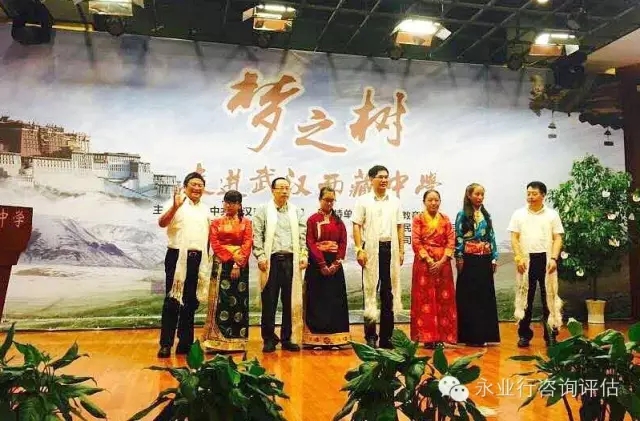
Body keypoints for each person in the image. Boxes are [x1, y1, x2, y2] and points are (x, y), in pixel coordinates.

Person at [157, 172, 211, 358]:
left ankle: (185, 343)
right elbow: (162, 223)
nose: (197, 188)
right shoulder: (176, 203)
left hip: (197, 258)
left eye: (200, 185)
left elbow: (208, 237)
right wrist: (174, 207)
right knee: (172, 299)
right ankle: (166, 344)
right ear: (185, 187)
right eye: (193, 184)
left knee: (190, 301)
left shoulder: (205, 210)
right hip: (177, 257)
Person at [351, 165, 404, 349]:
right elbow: (356, 225)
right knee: (370, 291)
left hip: (390, 250)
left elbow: (400, 226)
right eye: (380, 177)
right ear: (371, 179)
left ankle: (387, 338)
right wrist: (359, 249)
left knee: (388, 294)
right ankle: (371, 336)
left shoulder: (395, 201)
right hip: (371, 251)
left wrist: (401, 251)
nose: (384, 180)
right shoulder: (363, 201)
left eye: (386, 177)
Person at [253, 177, 308, 353]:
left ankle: (287, 338)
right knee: (269, 302)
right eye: (281, 188)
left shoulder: (296, 211)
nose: (284, 191)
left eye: (287, 188)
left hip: (291, 261)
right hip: (271, 261)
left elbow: (302, 236)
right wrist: (260, 256)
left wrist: (303, 255)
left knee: (289, 302)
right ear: (273, 190)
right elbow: (257, 235)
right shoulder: (263, 210)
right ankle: (269, 339)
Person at [508, 181, 564, 348]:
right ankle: (524, 335)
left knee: (550, 298)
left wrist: (554, 258)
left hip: (546, 261)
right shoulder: (518, 214)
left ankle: (551, 335)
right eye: (528, 194)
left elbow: (558, 238)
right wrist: (519, 258)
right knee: (525, 298)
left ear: (543, 195)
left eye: (534, 194)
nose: (530, 197)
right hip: (526, 261)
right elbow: (514, 238)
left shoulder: (552, 215)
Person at [201, 190, 253, 353]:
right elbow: (215, 244)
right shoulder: (216, 222)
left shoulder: (246, 223)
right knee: (220, 301)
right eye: (227, 202)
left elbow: (247, 243)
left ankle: (237, 341)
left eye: (233, 203)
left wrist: (237, 264)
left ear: (239, 205)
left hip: (240, 266)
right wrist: (231, 257)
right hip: (221, 265)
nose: (229, 206)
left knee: (239, 301)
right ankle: (216, 340)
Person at [303, 186, 350, 348]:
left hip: (335, 264)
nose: (329, 203)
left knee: (334, 300)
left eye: (332, 200)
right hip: (317, 265)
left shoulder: (338, 221)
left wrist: (336, 263)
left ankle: (336, 338)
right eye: (326, 200)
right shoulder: (312, 220)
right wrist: (322, 263)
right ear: (320, 200)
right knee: (317, 300)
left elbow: (343, 242)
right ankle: (316, 337)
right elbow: (310, 242)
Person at [454, 183, 500, 347]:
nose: (480, 197)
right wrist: (459, 257)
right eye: (477, 194)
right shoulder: (462, 215)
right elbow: (458, 237)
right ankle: (470, 336)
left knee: (484, 296)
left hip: (485, 259)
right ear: (469, 195)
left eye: (482, 195)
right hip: (469, 259)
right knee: (469, 297)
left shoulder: (486, 215)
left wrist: (494, 257)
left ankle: (485, 334)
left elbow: (491, 236)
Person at [410, 190, 457, 349]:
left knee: (443, 300)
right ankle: (427, 337)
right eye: (430, 200)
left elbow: (451, 241)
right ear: (424, 202)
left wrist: (442, 260)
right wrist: (430, 261)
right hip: (424, 265)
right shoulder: (418, 219)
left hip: (443, 265)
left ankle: (442, 336)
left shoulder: (445, 219)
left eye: (436, 200)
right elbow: (416, 241)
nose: (433, 203)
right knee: (425, 300)